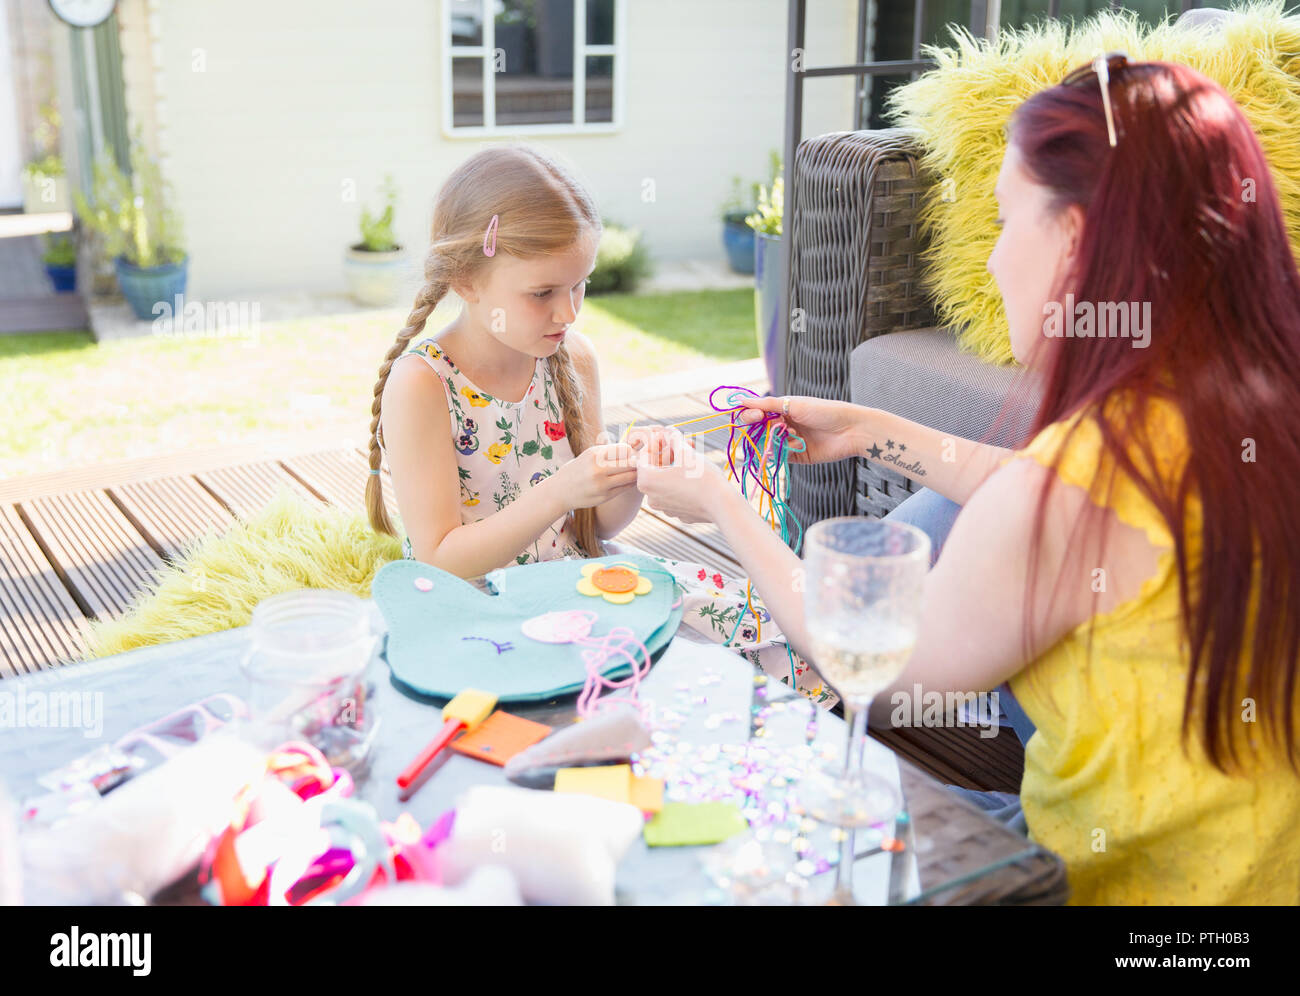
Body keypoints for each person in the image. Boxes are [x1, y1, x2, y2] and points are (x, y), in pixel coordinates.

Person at [635, 58, 1300, 904]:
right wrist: (876, 430)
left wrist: (720, 501)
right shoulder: (1248, 404)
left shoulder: (1074, 488)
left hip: (1098, 884)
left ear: (1076, 239)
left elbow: (870, 663)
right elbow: (1036, 495)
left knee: (782, 821)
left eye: (1002, 219)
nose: (988, 263)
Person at [363, 144, 833, 706]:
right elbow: (440, 559)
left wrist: (628, 475)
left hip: (580, 583)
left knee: (760, 632)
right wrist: (562, 489)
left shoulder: (571, 358)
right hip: (483, 615)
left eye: (579, 285)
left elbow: (602, 526)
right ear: (466, 279)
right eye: (542, 293)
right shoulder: (423, 385)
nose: (569, 312)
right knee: (644, 689)